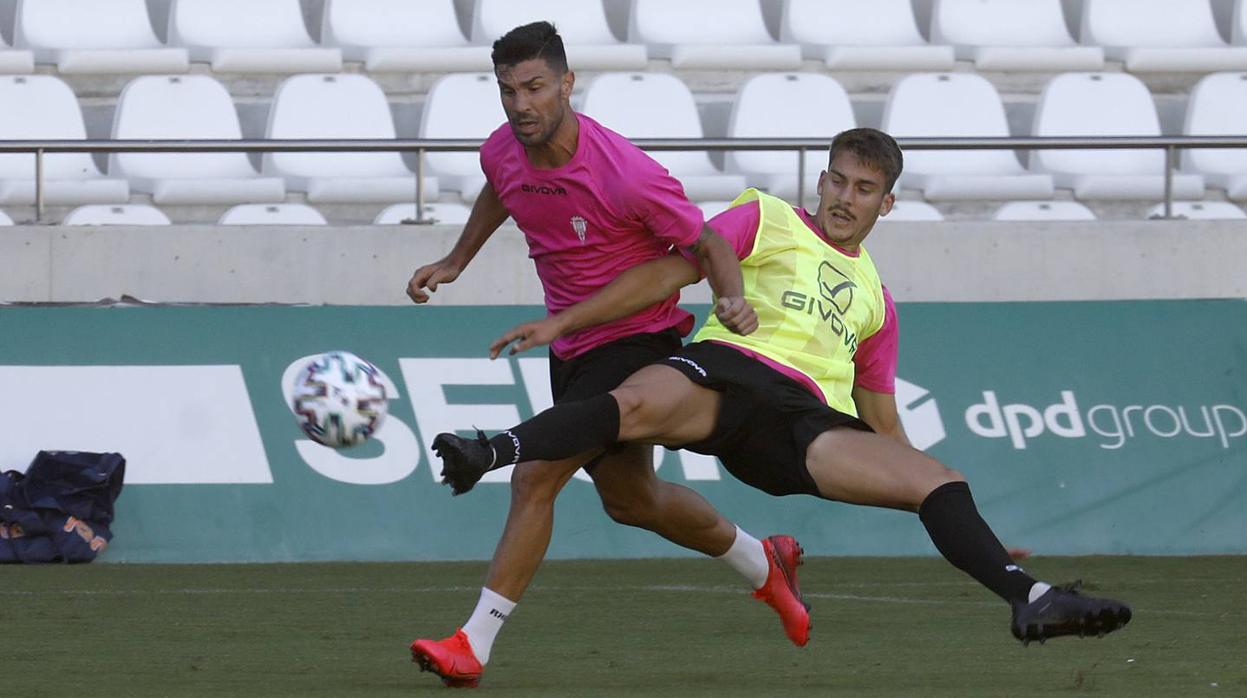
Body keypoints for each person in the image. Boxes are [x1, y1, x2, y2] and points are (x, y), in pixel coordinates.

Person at [433, 128, 1134, 663]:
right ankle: (486, 450)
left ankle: (1030, 598)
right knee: (637, 403)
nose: (842, 197)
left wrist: (967, 530)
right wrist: (567, 321)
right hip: (724, 375)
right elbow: (671, 272)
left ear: (884, 203)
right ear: (820, 179)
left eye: (862, 189)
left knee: (940, 480)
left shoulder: (877, 304)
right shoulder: (764, 217)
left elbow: (882, 419)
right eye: (836, 180)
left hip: (800, 427)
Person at [406, 22, 810, 689]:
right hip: (570, 345)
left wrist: (730, 299)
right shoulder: (503, 150)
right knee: (631, 499)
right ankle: (763, 563)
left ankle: (471, 644)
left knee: (535, 478)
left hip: (636, 340)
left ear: (566, 84)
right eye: (507, 90)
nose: (521, 104)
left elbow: (706, 243)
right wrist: (455, 260)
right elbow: (500, 187)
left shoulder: (624, 171)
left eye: (535, 87)